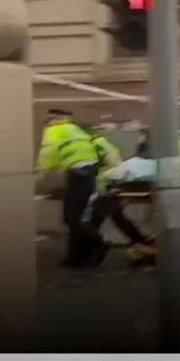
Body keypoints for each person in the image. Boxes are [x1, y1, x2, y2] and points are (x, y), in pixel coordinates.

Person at [37, 109, 109, 268]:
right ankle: (76, 258)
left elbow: (48, 153)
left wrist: (41, 173)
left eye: (49, 120)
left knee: (73, 218)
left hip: (79, 175)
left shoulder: (53, 131)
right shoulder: (75, 129)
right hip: (89, 173)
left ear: (55, 120)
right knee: (75, 217)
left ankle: (98, 244)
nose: (47, 123)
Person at [77, 122, 156, 261]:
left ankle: (92, 246)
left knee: (101, 213)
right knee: (113, 213)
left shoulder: (131, 163)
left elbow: (114, 172)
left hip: (111, 185)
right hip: (138, 184)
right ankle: (138, 239)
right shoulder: (156, 163)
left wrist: (103, 182)